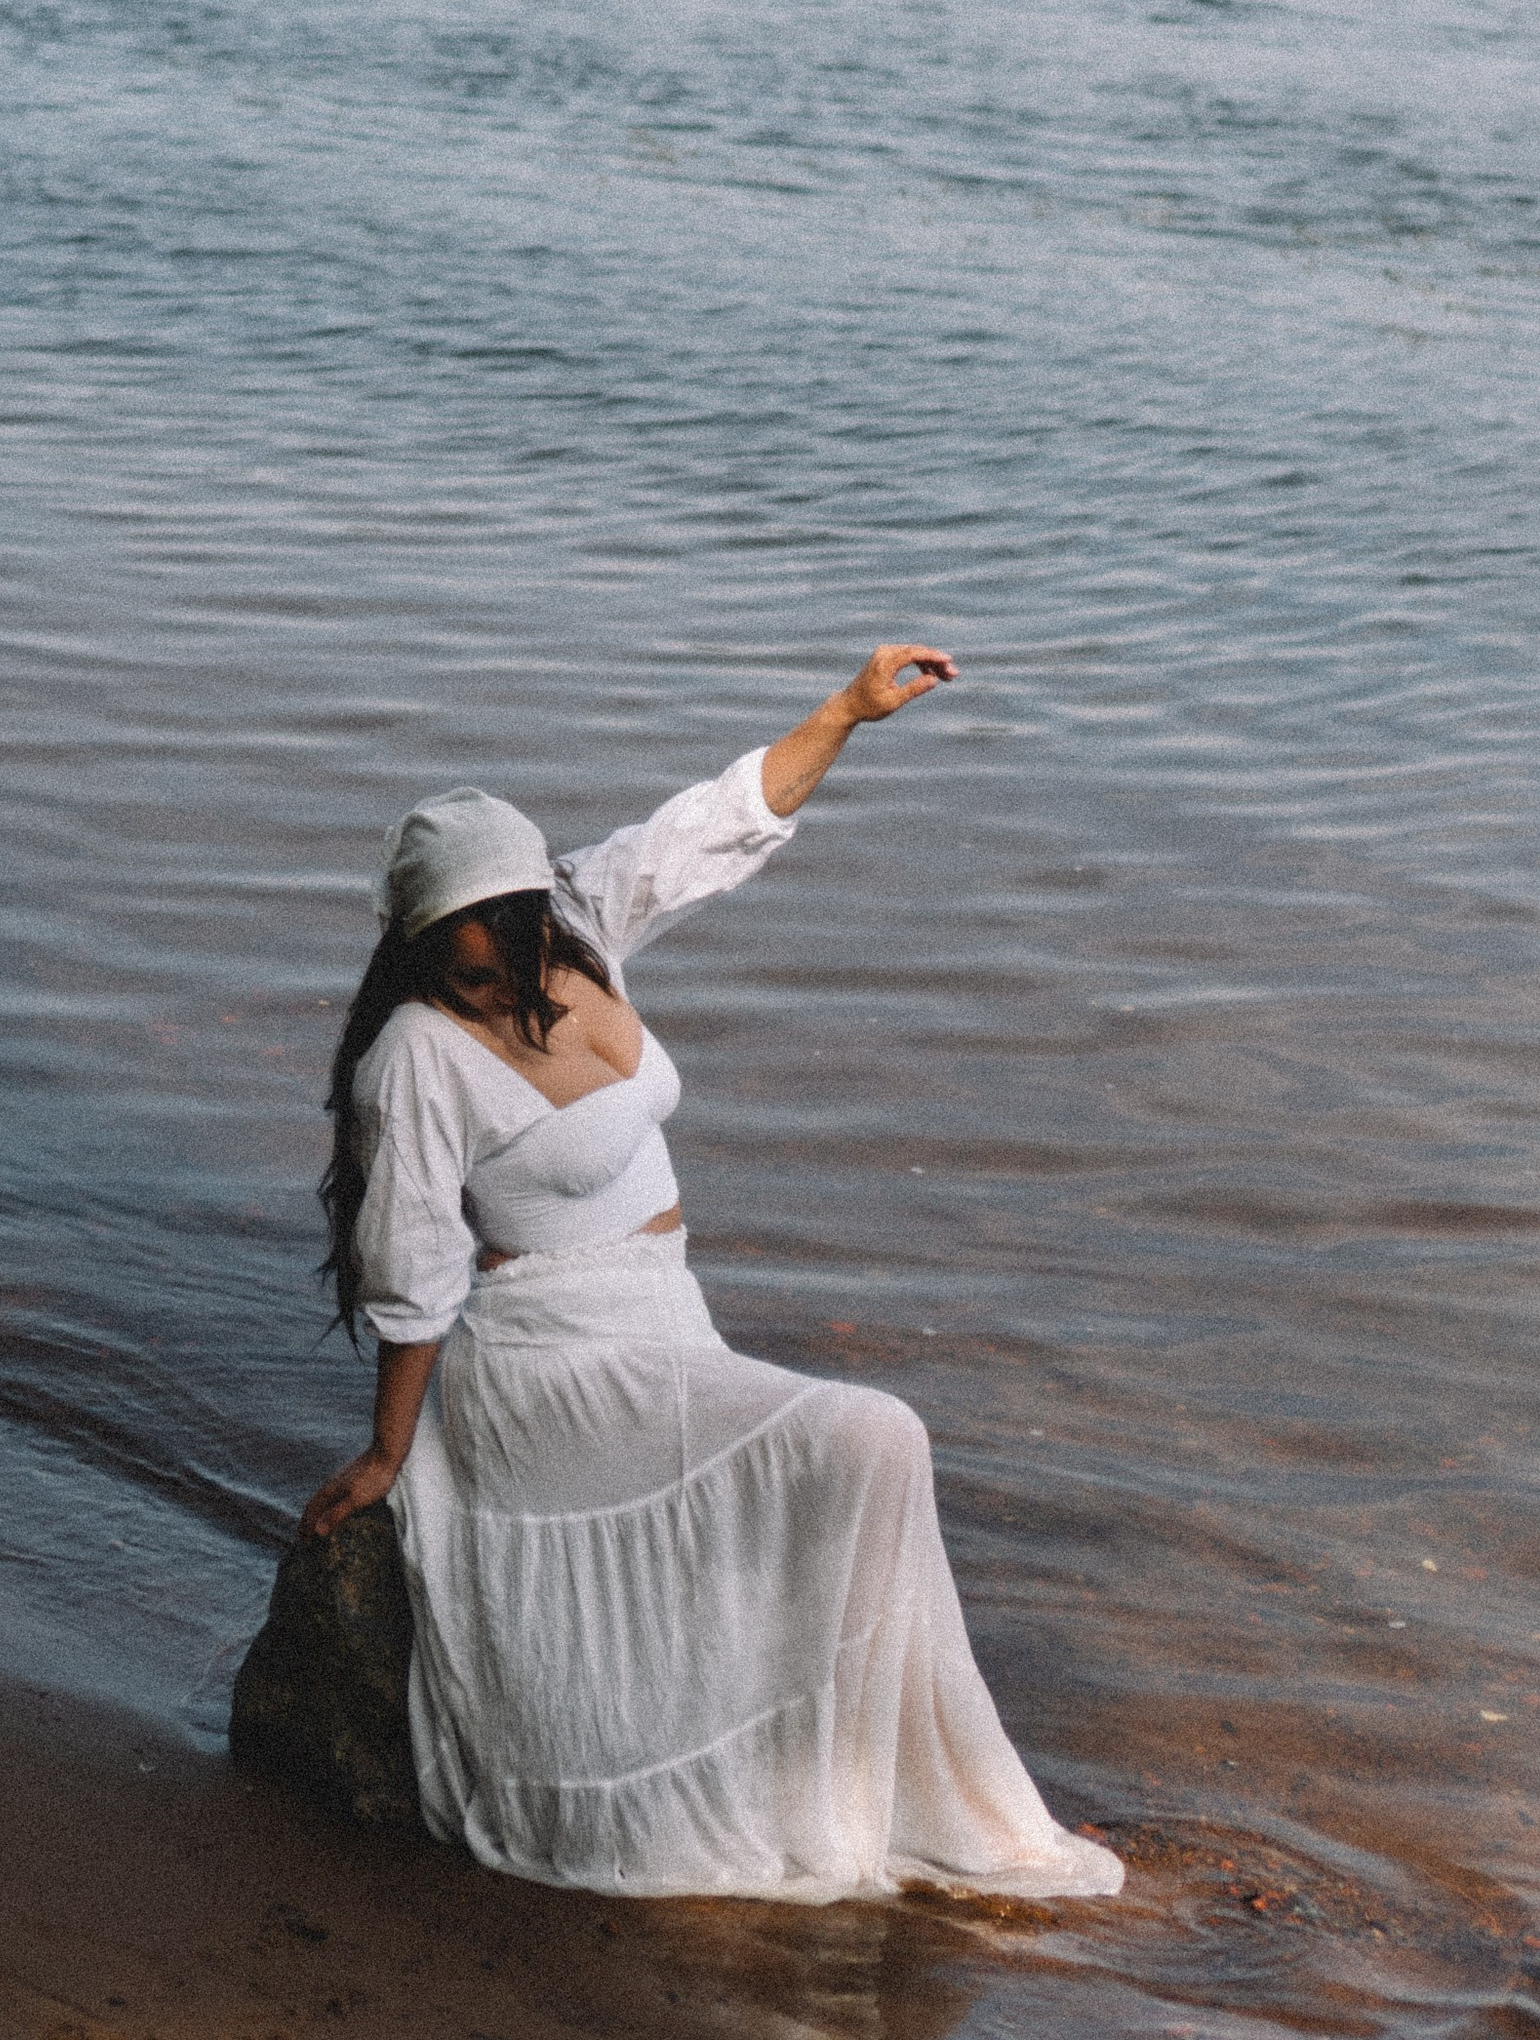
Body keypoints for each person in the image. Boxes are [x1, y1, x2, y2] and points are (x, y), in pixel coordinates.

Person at [303, 644, 1125, 1908]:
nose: (492, 982)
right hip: (552, 1361)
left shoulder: (582, 928)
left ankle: (847, 1777)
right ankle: (825, 1788)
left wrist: (847, 711)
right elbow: (413, 1275)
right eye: (461, 968)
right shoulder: (414, 1055)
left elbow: (720, 821)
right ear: (416, 954)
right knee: (876, 1433)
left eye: (506, 953)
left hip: (665, 1318)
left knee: (850, 1463)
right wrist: (387, 1453)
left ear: (536, 911)